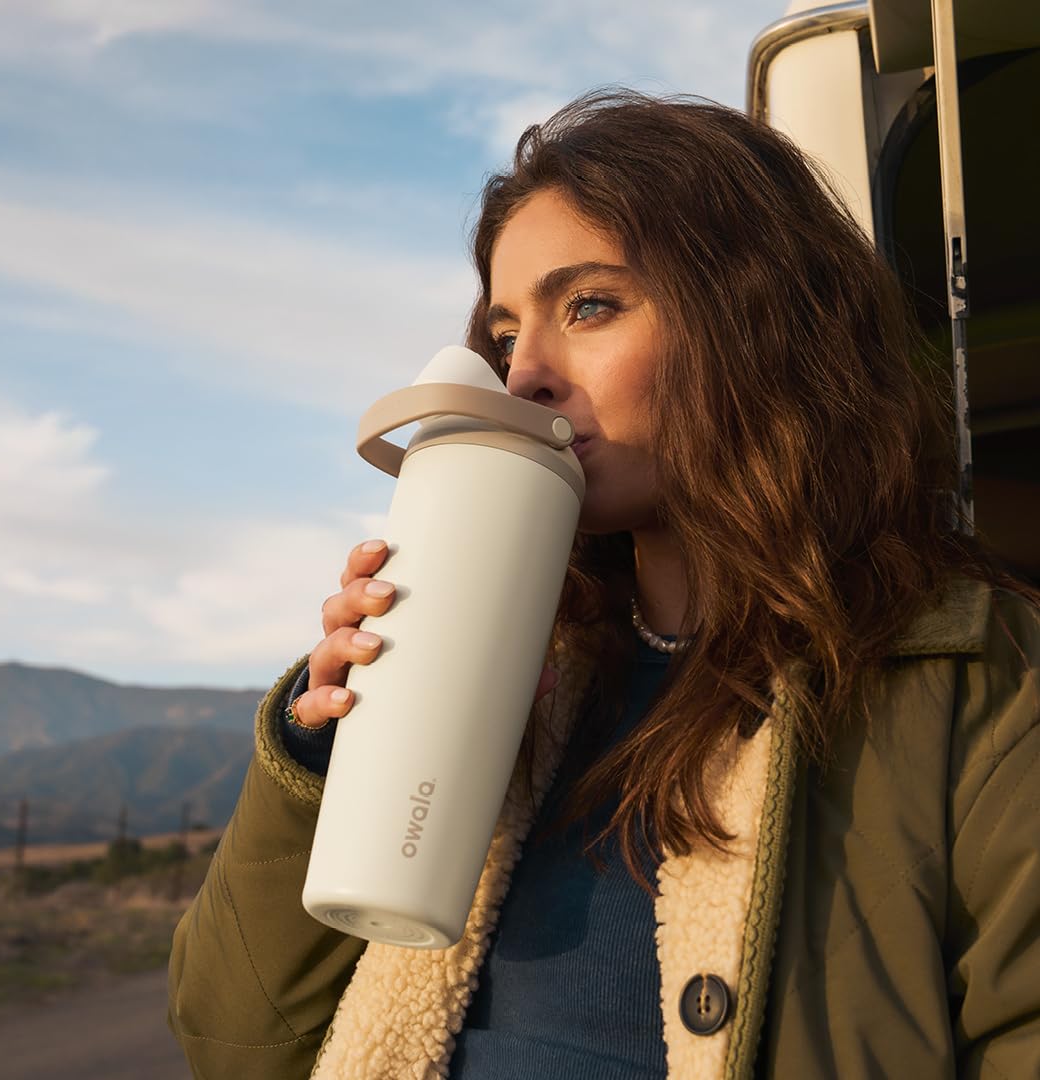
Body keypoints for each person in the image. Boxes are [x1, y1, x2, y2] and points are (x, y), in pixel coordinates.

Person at [167, 91, 1040, 1079]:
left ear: (757, 318)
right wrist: (325, 755)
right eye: (506, 337)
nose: (524, 376)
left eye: (589, 306)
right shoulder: (534, 677)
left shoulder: (974, 679)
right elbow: (231, 1041)